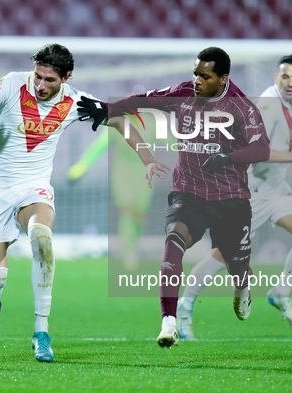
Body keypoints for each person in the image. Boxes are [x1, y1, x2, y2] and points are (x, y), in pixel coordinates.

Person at [78, 47, 271, 347]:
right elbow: (143, 101)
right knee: (174, 240)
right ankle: (169, 322)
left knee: (237, 265)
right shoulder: (182, 93)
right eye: (195, 73)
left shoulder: (242, 108)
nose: (196, 80)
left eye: (204, 76)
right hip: (189, 193)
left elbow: (262, 149)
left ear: (223, 79)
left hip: (230, 198)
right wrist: (108, 109)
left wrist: (230, 157)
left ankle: (242, 287)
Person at [0, 43, 106, 362]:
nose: (40, 85)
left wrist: (145, 155)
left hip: (33, 187)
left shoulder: (75, 101)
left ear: (66, 77)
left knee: (41, 238)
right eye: (38, 76)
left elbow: (118, 118)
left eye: (49, 80)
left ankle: (41, 331)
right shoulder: (11, 84)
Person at [176, 55, 292, 339]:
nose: (290, 83)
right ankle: (184, 306)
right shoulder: (269, 106)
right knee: (220, 257)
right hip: (251, 193)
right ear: (275, 77)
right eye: (285, 77)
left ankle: (280, 293)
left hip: (275, 188)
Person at [67, 115, 157, 269]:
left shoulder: (152, 123)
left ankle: (132, 245)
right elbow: (99, 146)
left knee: (139, 215)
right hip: (123, 172)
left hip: (145, 173)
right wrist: (80, 168)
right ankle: (129, 253)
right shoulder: (119, 122)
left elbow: (173, 142)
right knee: (127, 209)